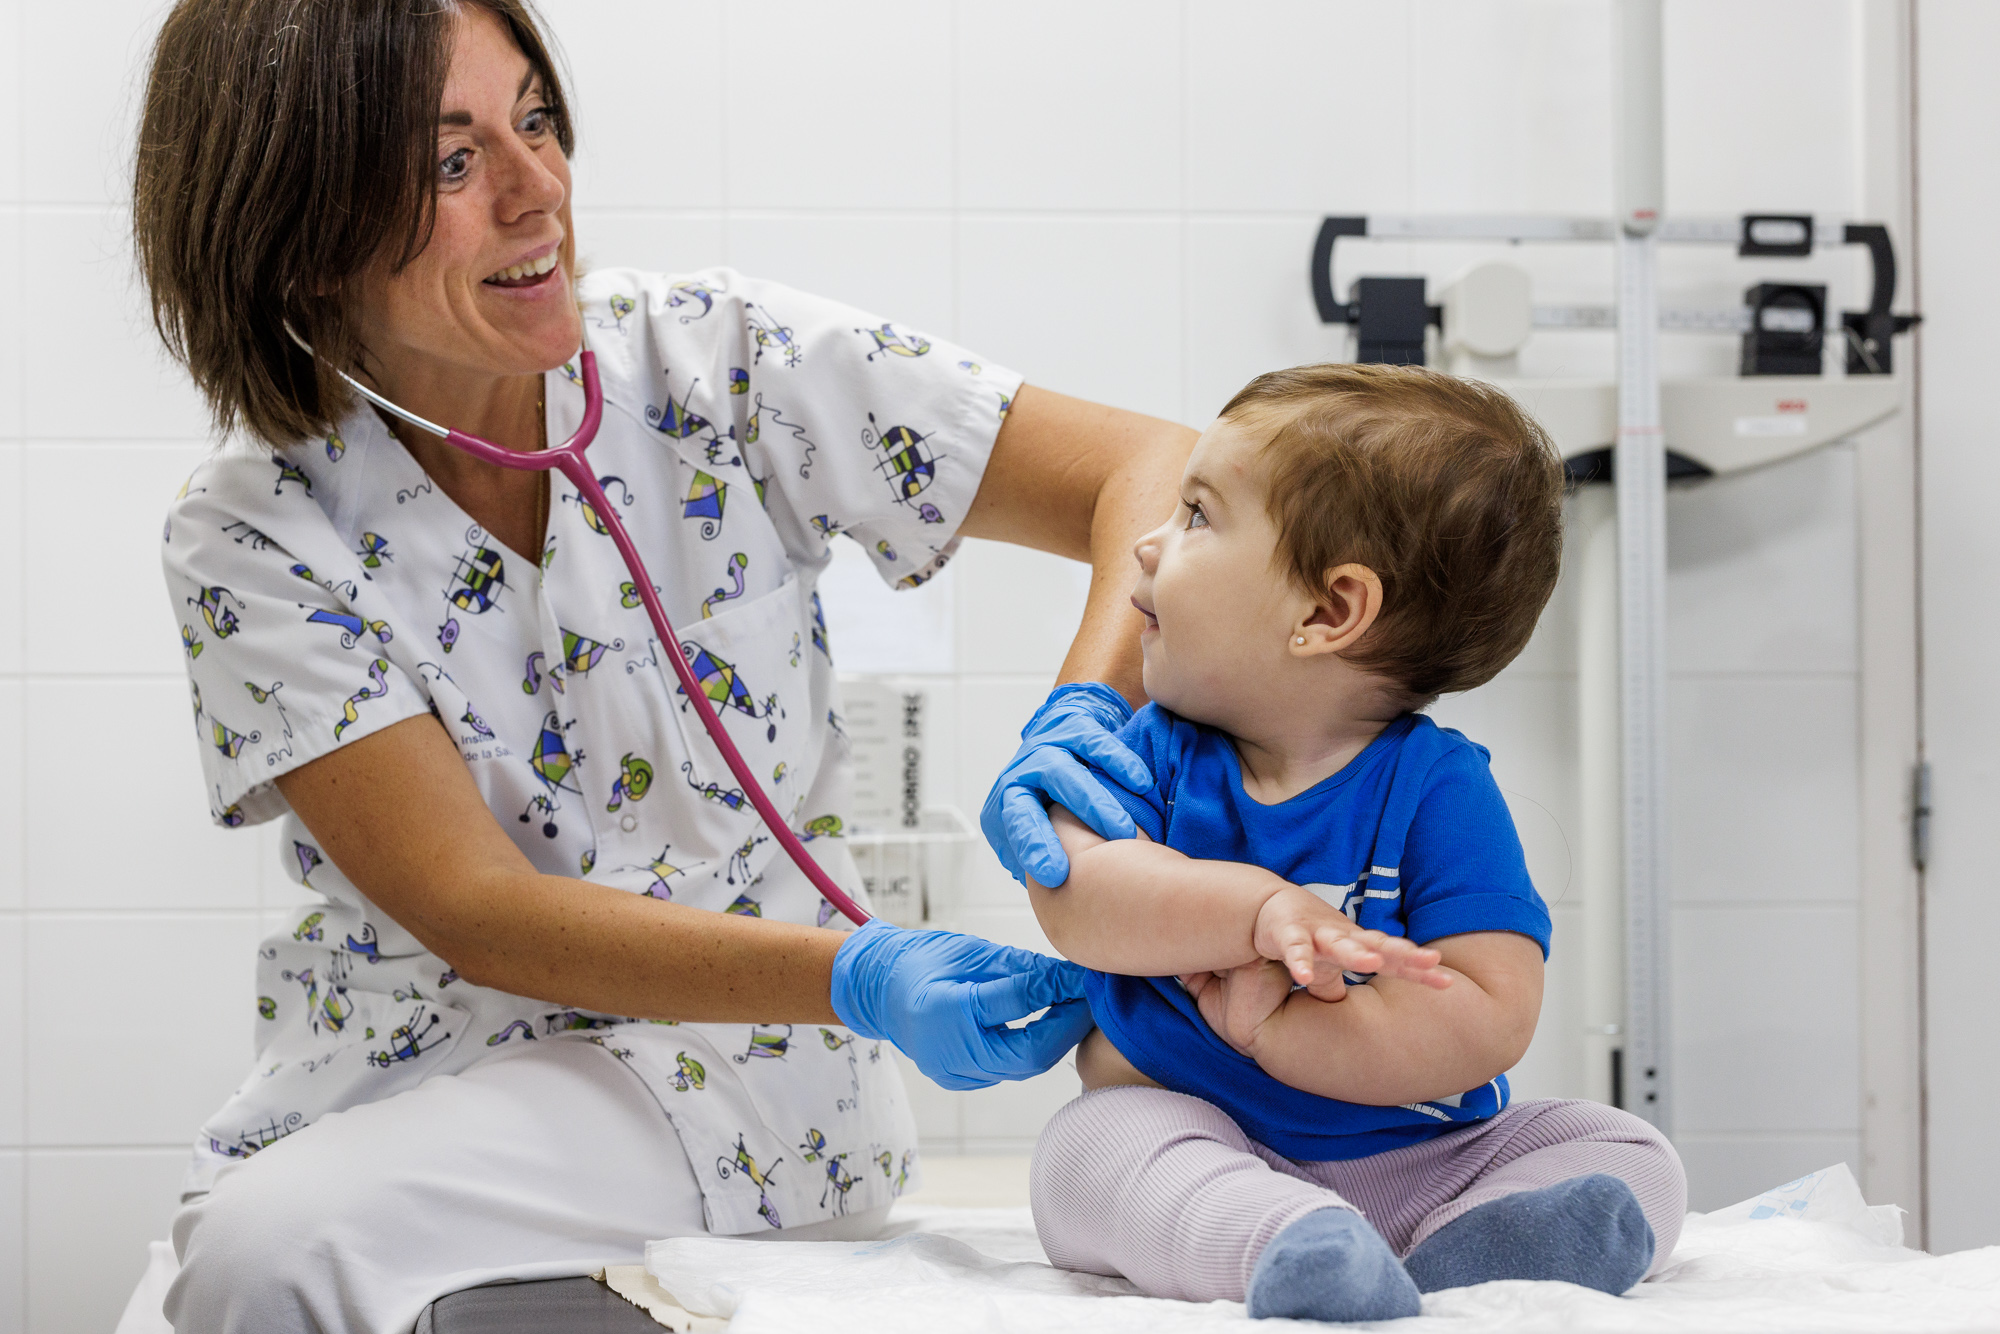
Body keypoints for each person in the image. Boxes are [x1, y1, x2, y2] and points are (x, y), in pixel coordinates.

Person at [127, 3, 1193, 1330]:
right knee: (210, 1269)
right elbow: (479, 908)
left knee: (269, 1254)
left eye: (534, 121)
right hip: (401, 1077)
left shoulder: (710, 357)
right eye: (452, 162)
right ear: (300, 229)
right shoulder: (254, 528)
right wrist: (865, 973)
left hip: (736, 1071)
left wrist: (1087, 701)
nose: (539, 194)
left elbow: (1158, 473)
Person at [1018, 364, 1689, 1320]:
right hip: (1200, 1138)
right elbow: (1076, 892)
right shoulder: (1151, 751)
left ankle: (1484, 1243)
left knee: (1625, 1148)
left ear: (1329, 612)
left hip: (1424, 1159)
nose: (1149, 542)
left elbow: (1491, 1011)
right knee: (1086, 1151)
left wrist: (1280, 1028)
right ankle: (1282, 1243)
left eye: (1199, 515)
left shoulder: (1438, 789)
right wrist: (1254, 914)